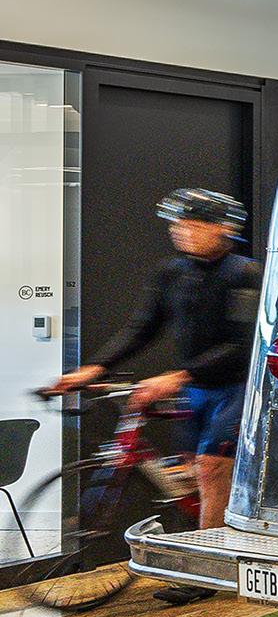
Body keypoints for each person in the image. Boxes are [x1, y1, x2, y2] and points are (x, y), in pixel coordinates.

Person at [45, 188, 258, 540]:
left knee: (210, 469)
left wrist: (180, 375)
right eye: (177, 225)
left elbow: (241, 344)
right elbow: (141, 328)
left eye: (193, 225)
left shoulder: (245, 273)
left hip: (235, 389)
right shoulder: (171, 273)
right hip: (194, 391)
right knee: (188, 478)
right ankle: (201, 543)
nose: (180, 231)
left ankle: (209, 561)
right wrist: (95, 367)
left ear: (223, 228)